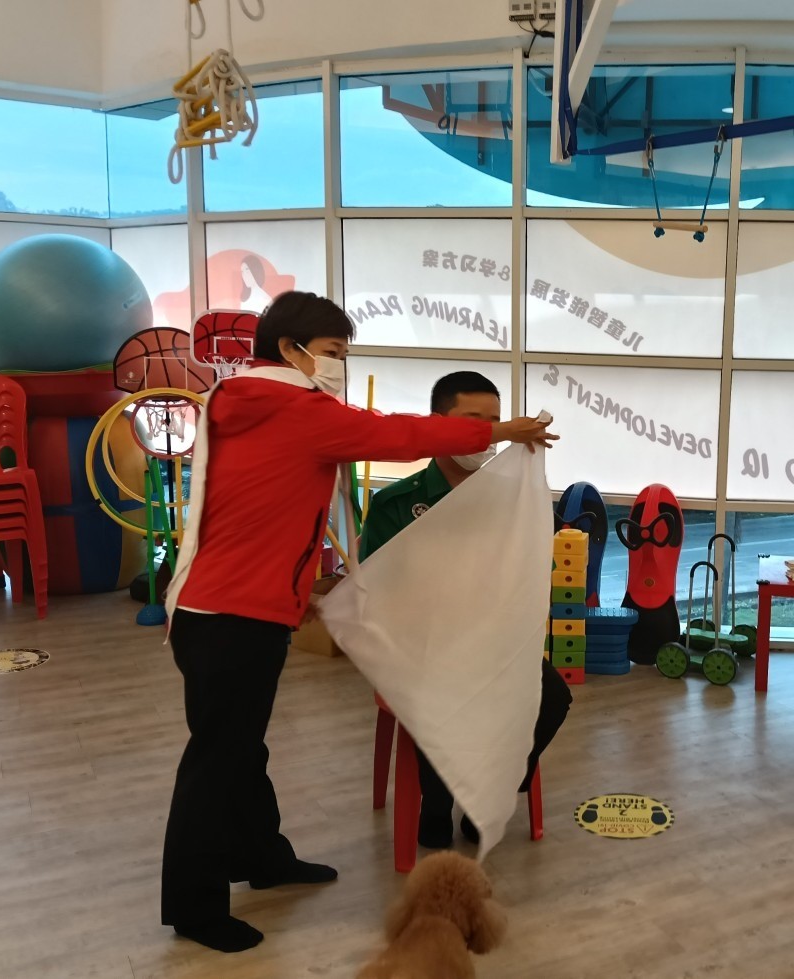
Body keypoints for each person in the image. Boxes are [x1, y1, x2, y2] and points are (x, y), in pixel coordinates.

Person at [160, 293, 555, 953]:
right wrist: (501, 431)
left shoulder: (245, 400)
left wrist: (298, 590)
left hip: (225, 608)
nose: (338, 365)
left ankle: (262, 856)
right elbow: (398, 434)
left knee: (240, 749)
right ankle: (194, 906)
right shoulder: (296, 410)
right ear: (290, 350)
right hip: (233, 614)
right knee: (217, 761)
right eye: (332, 352)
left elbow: (267, 513)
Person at [358, 371, 573, 850]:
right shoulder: (398, 503)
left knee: (553, 698)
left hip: (494, 643)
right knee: (441, 701)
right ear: (438, 423)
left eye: (495, 422)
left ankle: (490, 792)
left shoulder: (514, 499)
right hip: (420, 648)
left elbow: (535, 575)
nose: (488, 434)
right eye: (473, 421)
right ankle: (437, 805)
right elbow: (375, 588)